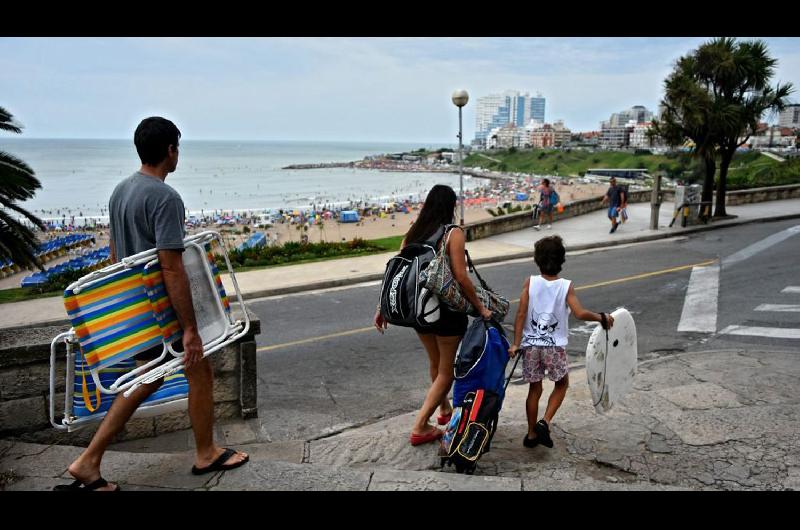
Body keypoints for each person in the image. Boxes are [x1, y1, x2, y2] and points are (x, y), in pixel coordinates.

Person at [55, 117, 248, 492]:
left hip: (136, 310)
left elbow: (115, 257)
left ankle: (89, 460)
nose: (179, 153)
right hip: (160, 312)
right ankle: (204, 453)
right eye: (178, 146)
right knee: (197, 370)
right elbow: (171, 267)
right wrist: (190, 329)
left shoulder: (120, 191)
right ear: (171, 150)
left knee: (149, 378)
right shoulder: (165, 198)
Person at [373, 184, 493, 447]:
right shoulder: (453, 234)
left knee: (436, 365)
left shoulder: (413, 233)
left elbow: (399, 274)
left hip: (419, 312)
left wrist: (382, 308)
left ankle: (445, 411)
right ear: (450, 206)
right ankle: (419, 426)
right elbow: (461, 277)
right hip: (446, 313)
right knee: (446, 371)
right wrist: (480, 308)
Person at [508, 235, 614, 449]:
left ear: (537, 260)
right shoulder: (566, 286)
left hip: (531, 346)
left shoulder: (530, 282)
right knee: (562, 384)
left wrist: (516, 343)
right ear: (561, 260)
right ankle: (544, 422)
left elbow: (520, 314)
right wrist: (602, 317)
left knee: (534, 390)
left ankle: (530, 436)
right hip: (554, 347)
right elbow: (579, 313)